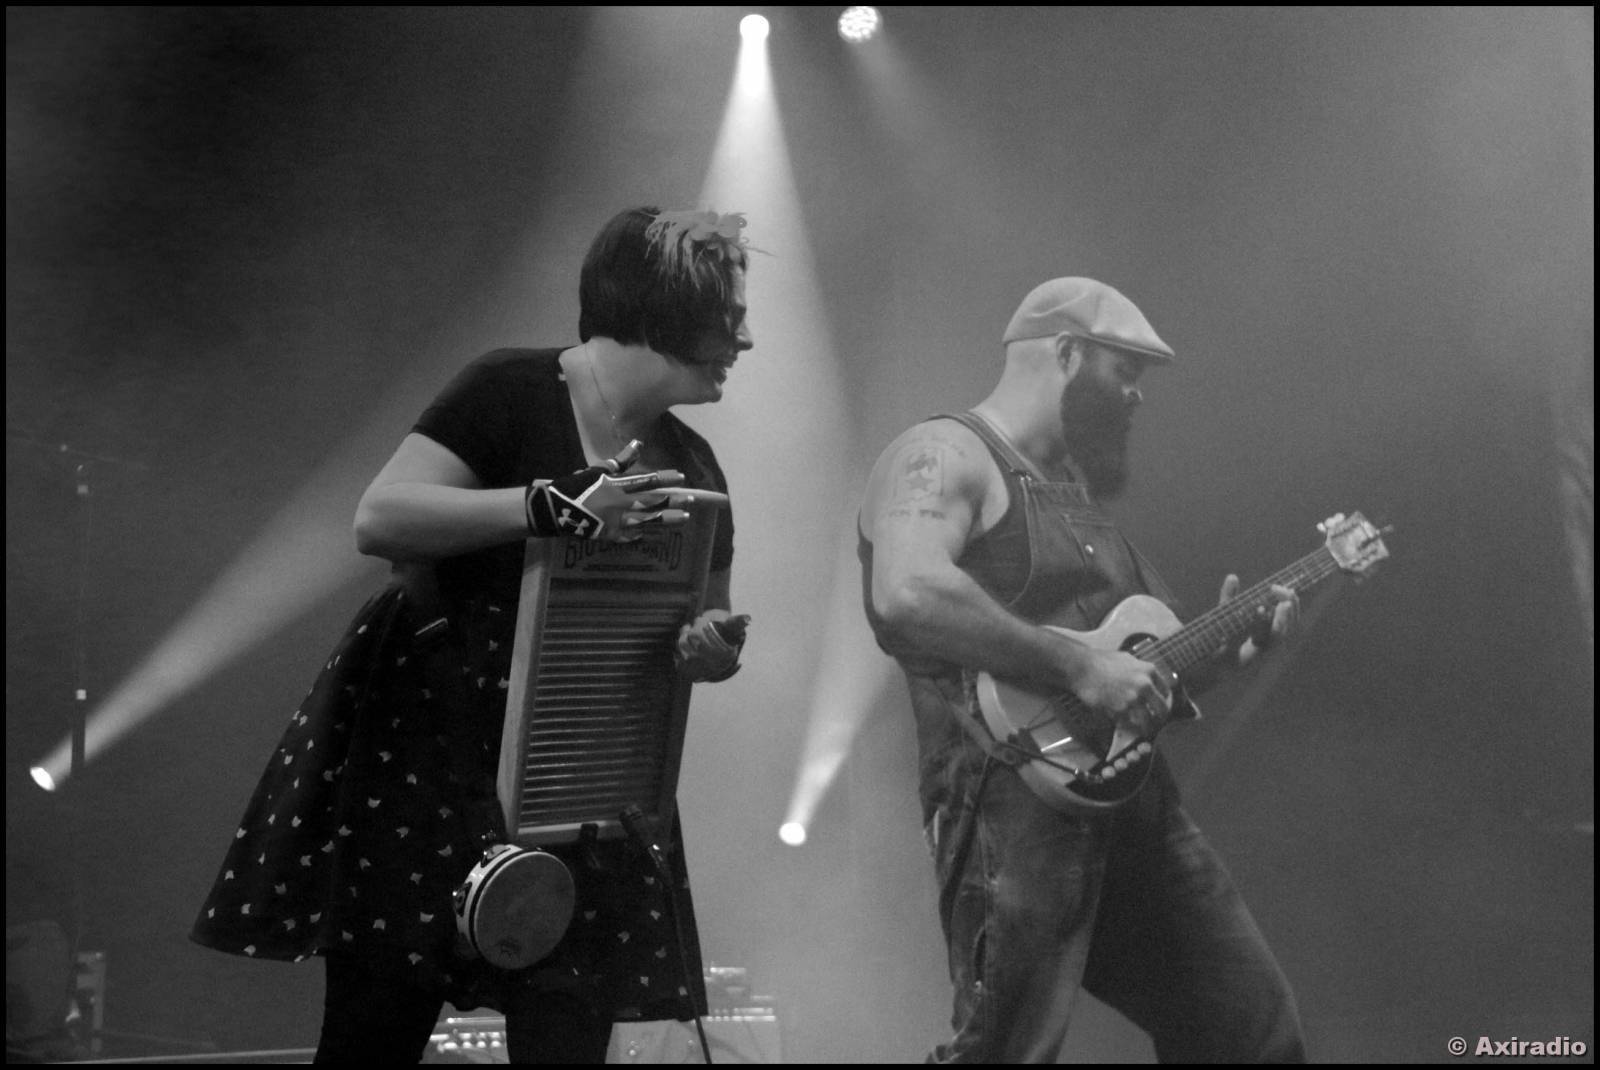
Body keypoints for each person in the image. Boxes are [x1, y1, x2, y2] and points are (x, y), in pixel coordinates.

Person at [191, 205, 757, 1063]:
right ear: (667, 304)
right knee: (373, 1036)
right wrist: (548, 506)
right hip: (429, 753)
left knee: (565, 1040)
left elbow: (703, 617)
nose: (744, 340)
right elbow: (380, 517)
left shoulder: (693, 465)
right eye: (729, 314)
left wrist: (709, 648)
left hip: (575, 790)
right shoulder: (510, 391)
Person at [857, 277, 1308, 1063]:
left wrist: (1225, 654)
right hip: (1006, 802)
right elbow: (906, 594)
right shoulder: (944, 454)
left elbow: (1131, 675)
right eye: (1124, 369)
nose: (1136, 395)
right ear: (1066, 352)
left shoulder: (1074, 494)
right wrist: (1079, 666)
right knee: (1004, 1051)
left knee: (1248, 1028)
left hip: (1130, 803)